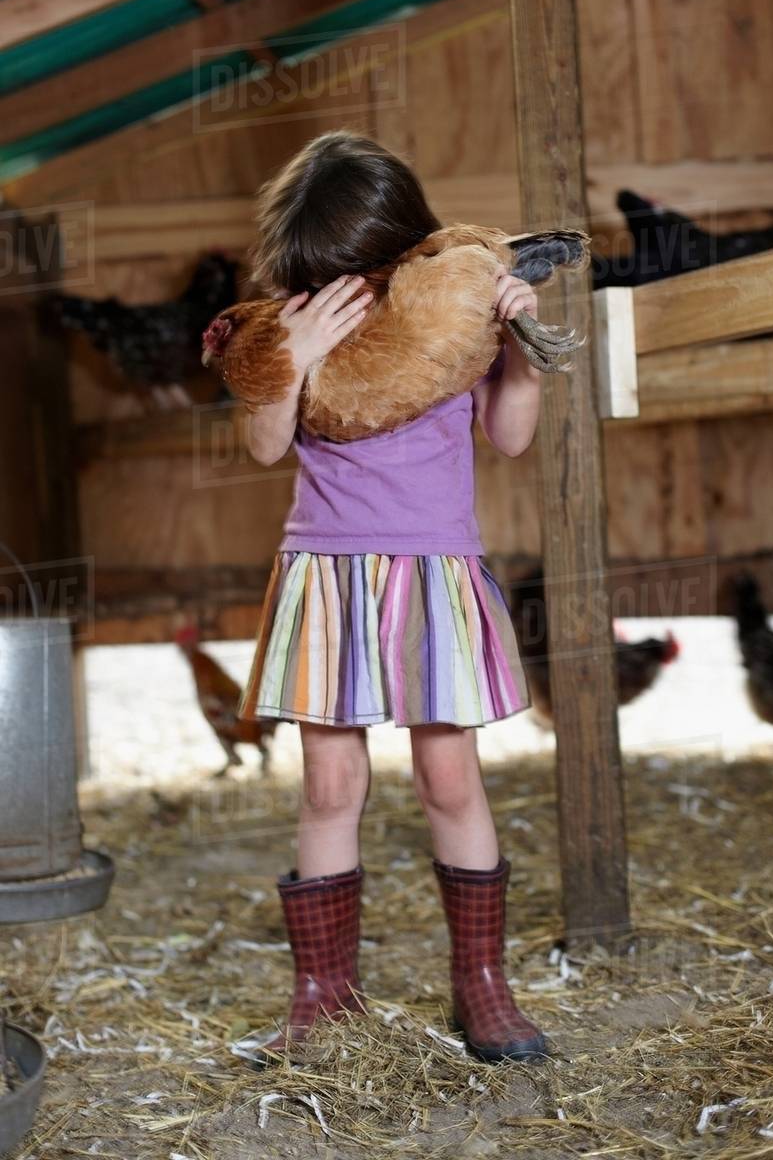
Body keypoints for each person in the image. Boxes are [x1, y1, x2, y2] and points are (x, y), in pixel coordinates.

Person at [240, 131, 548, 1064]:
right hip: (325, 575)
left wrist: (524, 350)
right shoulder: (288, 328)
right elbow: (262, 447)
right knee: (331, 783)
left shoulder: (451, 313)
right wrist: (286, 357)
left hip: (432, 570)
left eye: (358, 276)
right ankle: (323, 994)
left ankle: (481, 985)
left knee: (449, 778)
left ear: (399, 248)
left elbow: (510, 437)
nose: (348, 298)